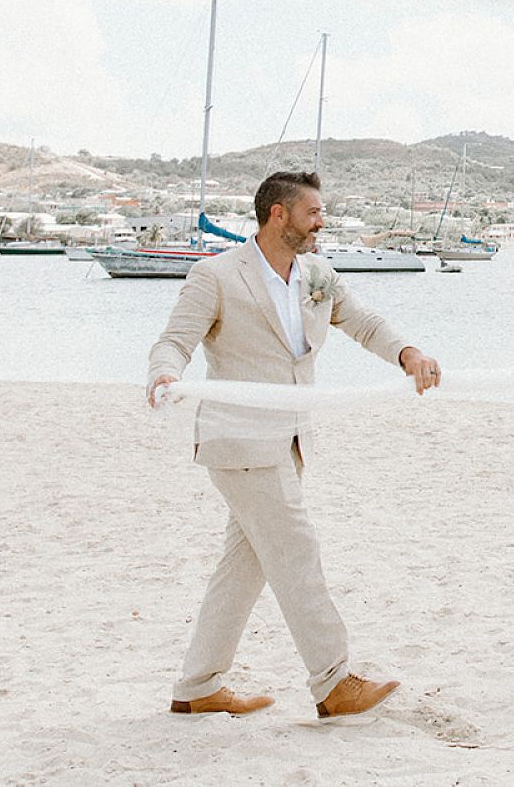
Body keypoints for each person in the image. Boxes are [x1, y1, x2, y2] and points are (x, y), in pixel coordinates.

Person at [146, 171, 444, 720]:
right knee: (297, 551)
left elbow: (364, 321)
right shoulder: (215, 275)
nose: (321, 222)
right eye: (313, 213)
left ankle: (197, 687)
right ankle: (333, 681)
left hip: (290, 442)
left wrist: (407, 353)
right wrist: (165, 377)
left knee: (245, 565)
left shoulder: (317, 274)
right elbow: (174, 341)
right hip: (238, 441)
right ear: (278, 214)